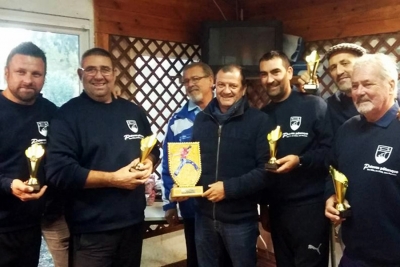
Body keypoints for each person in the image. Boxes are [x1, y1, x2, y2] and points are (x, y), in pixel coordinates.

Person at [45, 47, 160, 267]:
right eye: (91, 69)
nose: (99, 76)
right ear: (81, 75)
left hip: (133, 223)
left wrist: (149, 162)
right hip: (92, 232)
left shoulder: (132, 112)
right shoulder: (67, 116)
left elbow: (153, 147)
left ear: (115, 73)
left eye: (105, 69)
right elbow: (59, 172)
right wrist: (113, 179)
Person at [325, 53, 400, 266]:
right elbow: (332, 169)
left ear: (391, 85)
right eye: (355, 85)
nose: (359, 92)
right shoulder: (347, 129)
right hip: (353, 255)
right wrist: (330, 195)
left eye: (367, 84)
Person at [192, 64, 270, 267]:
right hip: (204, 217)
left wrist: (228, 188)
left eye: (233, 85)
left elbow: (265, 171)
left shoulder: (259, 121)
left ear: (243, 89)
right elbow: (192, 163)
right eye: (222, 85)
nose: (227, 90)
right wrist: (183, 185)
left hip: (240, 220)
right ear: (214, 86)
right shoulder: (201, 120)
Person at [259, 51, 331, 267]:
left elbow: (330, 153)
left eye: (275, 72)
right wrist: (264, 208)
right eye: (264, 74)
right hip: (278, 209)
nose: (269, 79)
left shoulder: (314, 105)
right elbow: (261, 164)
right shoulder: (263, 115)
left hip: (310, 208)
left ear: (289, 72)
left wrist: (300, 160)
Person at [0, 42, 62, 266]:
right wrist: (8, 184)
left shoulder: (51, 112)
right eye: (21, 72)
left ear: (44, 77)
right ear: (6, 72)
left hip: (32, 224)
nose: (28, 79)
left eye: (36, 73)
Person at [161, 62, 214, 267]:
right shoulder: (177, 120)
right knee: (196, 259)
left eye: (196, 79)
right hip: (192, 207)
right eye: (186, 81)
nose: (190, 84)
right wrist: (169, 203)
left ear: (211, 81)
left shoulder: (228, 113)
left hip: (224, 206)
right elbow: (168, 162)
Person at [299, 43, 367, 134]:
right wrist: (312, 94)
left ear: (363, 65)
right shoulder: (332, 105)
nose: (338, 72)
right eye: (333, 67)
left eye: (345, 63)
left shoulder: (378, 102)